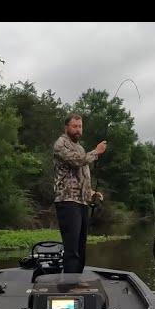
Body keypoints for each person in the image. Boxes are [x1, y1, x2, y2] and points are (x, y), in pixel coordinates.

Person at [53, 113, 107, 273]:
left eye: (80, 126)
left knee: (81, 248)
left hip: (82, 201)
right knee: (72, 249)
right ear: (66, 127)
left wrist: (91, 192)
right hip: (67, 201)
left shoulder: (80, 148)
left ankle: (77, 281)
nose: (78, 130)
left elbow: (81, 174)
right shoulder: (60, 144)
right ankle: (70, 286)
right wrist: (96, 152)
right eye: (74, 126)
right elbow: (77, 161)